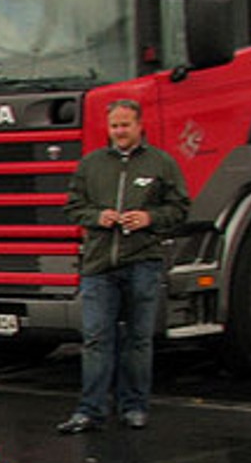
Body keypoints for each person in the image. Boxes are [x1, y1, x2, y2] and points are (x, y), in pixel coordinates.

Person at [57, 99, 191, 433]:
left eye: (125, 125)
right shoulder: (91, 165)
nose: (120, 132)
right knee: (96, 338)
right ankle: (90, 410)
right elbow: (73, 207)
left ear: (139, 126)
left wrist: (150, 218)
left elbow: (180, 208)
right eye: (114, 126)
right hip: (99, 266)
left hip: (142, 263)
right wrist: (96, 217)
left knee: (138, 340)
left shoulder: (161, 164)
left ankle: (134, 407)